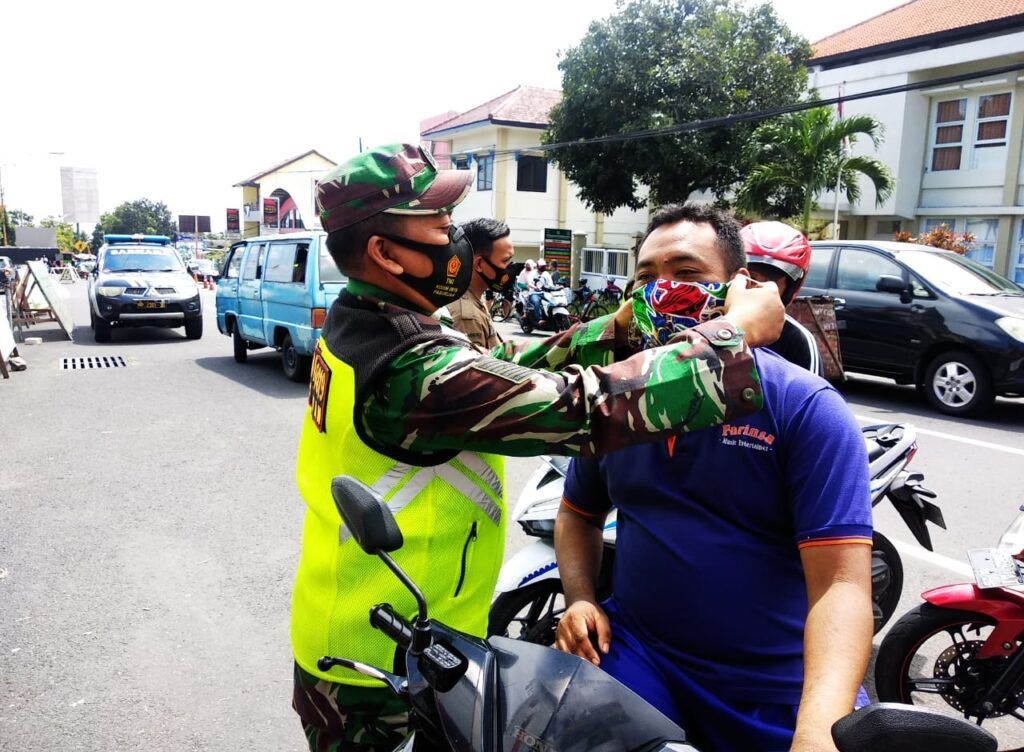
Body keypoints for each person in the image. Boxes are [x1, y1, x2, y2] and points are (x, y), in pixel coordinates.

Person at [290, 144, 785, 752]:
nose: (458, 246)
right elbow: (580, 408)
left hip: (395, 623)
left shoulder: (377, 321)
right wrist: (730, 338)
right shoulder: (405, 369)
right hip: (377, 662)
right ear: (386, 253)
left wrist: (616, 328)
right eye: (443, 230)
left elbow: (503, 368)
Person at [554, 203, 873, 752]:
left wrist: (817, 730)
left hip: (773, 690)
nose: (664, 289)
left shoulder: (804, 407)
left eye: (687, 273)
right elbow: (576, 514)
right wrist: (581, 598)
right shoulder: (616, 405)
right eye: (647, 277)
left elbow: (841, 585)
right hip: (640, 662)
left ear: (738, 287)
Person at [741, 221, 823, 376]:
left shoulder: (797, 340)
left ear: (789, 289)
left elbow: (810, 396)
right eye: (751, 277)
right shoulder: (705, 322)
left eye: (771, 282)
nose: (759, 288)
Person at [447, 218, 513, 350]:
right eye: (505, 261)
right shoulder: (467, 317)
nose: (510, 268)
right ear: (479, 264)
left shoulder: (475, 299)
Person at [527, 258, 552, 322]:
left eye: (544, 266)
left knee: (553, 302)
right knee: (536, 302)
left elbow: (551, 284)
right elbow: (529, 284)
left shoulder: (546, 274)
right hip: (534, 293)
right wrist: (535, 287)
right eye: (541, 266)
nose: (543, 268)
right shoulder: (532, 273)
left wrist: (556, 288)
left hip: (544, 293)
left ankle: (551, 318)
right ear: (538, 266)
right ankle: (539, 319)